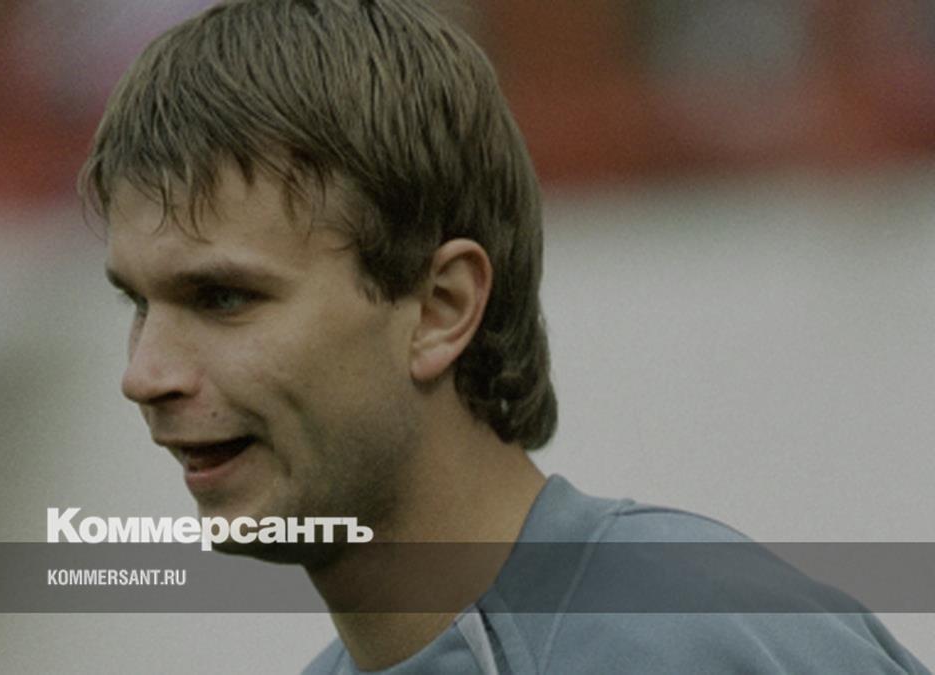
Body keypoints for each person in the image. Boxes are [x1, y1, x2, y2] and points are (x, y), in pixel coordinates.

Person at [78, 1, 931, 672]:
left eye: (223, 297)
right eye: (138, 304)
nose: (145, 375)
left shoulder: (704, 636)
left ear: (441, 308)